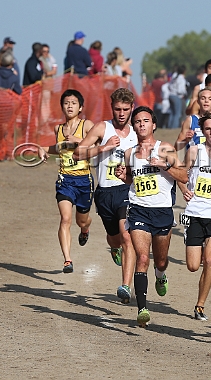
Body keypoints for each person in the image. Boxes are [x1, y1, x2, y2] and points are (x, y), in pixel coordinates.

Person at [114, 107, 187, 327]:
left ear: (153, 125)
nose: (141, 125)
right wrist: (123, 176)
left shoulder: (165, 148)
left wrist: (164, 166)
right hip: (138, 210)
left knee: (161, 260)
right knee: (143, 258)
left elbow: (183, 175)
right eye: (137, 122)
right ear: (133, 126)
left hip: (162, 211)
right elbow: (132, 181)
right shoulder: (129, 153)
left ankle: (160, 274)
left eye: (146, 121)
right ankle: (142, 309)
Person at [74, 88, 138, 303]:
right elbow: (78, 152)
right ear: (112, 108)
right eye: (117, 109)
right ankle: (113, 248)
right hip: (104, 192)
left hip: (127, 190)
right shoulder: (102, 127)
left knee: (127, 235)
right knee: (115, 238)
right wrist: (104, 147)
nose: (121, 113)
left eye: (125, 109)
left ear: (132, 109)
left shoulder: (137, 132)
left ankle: (125, 286)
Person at [179, 113, 211, 321]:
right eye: (207, 129)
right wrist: (183, 189)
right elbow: (180, 174)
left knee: (209, 260)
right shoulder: (194, 151)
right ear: (203, 132)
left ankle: (200, 305)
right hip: (194, 211)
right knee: (192, 265)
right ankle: (202, 245)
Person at [38, 90, 95, 273]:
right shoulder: (58, 129)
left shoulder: (87, 126)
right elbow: (60, 148)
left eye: (73, 103)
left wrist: (80, 141)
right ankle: (67, 260)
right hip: (65, 181)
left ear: (80, 107)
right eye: (66, 103)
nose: (70, 106)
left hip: (84, 181)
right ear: (62, 106)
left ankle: (85, 230)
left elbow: (98, 147)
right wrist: (43, 148)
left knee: (82, 221)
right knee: (65, 219)